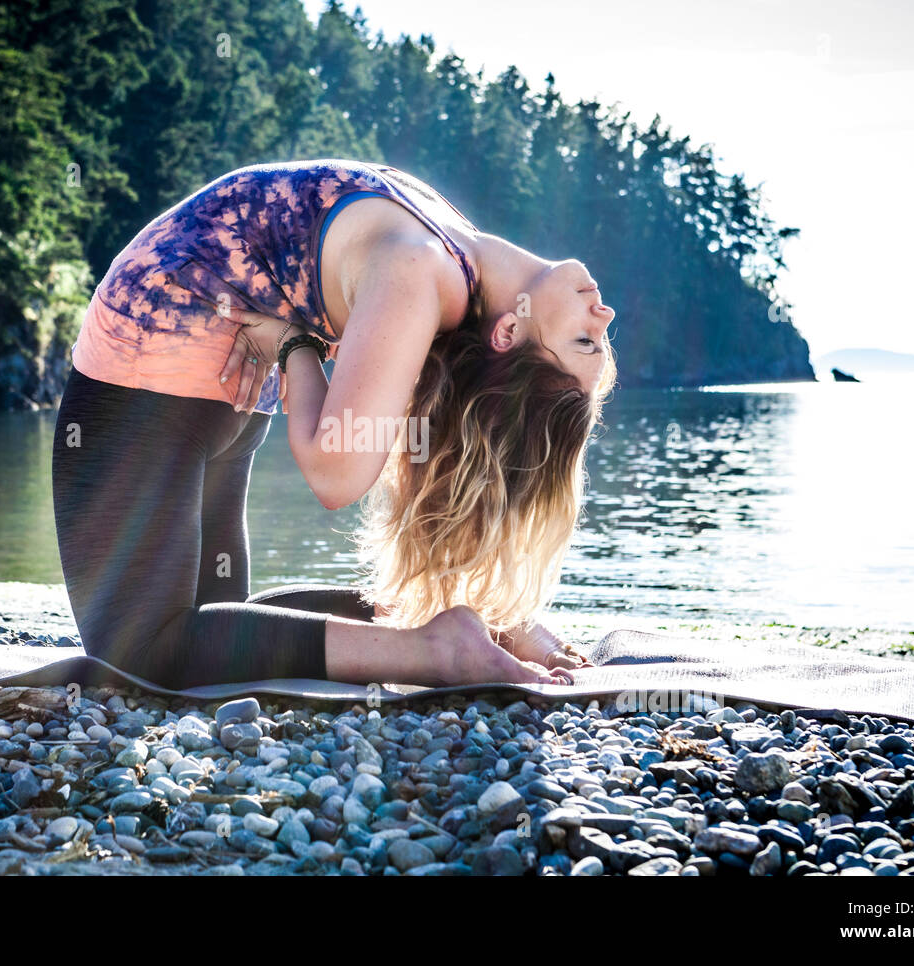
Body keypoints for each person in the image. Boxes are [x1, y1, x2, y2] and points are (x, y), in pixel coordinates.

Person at [52, 158, 616, 689]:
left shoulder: (423, 266)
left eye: (583, 341)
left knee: (139, 653)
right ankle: (475, 630)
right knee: (207, 627)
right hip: (210, 387)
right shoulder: (447, 257)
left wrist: (295, 344)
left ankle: (439, 649)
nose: (605, 314)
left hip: (155, 377)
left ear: (508, 335)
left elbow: (335, 472)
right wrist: (294, 345)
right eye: (596, 339)